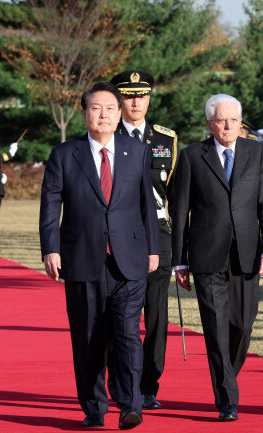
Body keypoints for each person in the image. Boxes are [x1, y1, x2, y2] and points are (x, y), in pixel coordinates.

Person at [39, 82, 160, 430]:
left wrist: (153, 247)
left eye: (110, 108)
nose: (103, 114)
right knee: (89, 337)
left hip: (129, 258)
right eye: (96, 108)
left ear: (119, 112)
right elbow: (50, 205)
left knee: (126, 333)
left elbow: (145, 204)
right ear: (85, 112)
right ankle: (94, 408)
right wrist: (51, 247)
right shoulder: (64, 153)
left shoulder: (136, 151)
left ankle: (130, 404)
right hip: (81, 258)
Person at [171, 94, 263, 422]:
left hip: (247, 255)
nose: (229, 125)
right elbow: (179, 212)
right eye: (221, 120)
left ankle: (225, 377)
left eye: (234, 119)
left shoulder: (257, 152)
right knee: (216, 328)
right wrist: (179, 260)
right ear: (209, 124)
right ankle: (227, 399)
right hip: (206, 257)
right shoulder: (191, 157)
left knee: (242, 327)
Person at [108, 70, 177, 410]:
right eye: (129, 95)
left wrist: (180, 251)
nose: (136, 102)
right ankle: (121, 382)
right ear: (119, 99)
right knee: (119, 314)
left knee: (156, 315)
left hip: (158, 235)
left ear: (149, 98)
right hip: (119, 236)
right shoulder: (106, 134)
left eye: (142, 95)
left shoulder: (166, 139)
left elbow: (175, 196)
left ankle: (148, 385)